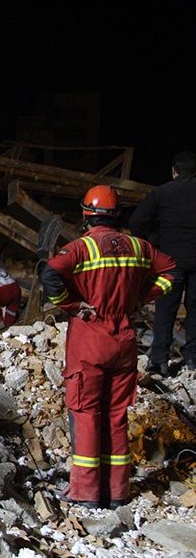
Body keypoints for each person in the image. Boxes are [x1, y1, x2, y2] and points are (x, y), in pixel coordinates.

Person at [40, 185, 177, 508]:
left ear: (86, 214)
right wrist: (143, 298)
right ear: (117, 216)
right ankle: (117, 491)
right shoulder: (139, 248)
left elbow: (50, 277)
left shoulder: (81, 248)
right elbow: (171, 271)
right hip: (124, 340)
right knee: (116, 415)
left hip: (90, 340)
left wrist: (72, 305)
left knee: (86, 413)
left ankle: (86, 492)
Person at [128, 151, 196, 375]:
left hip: (170, 262)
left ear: (174, 171)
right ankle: (192, 360)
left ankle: (159, 360)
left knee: (166, 310)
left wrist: (152, 244)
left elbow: (137, 221)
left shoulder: (162, 192)